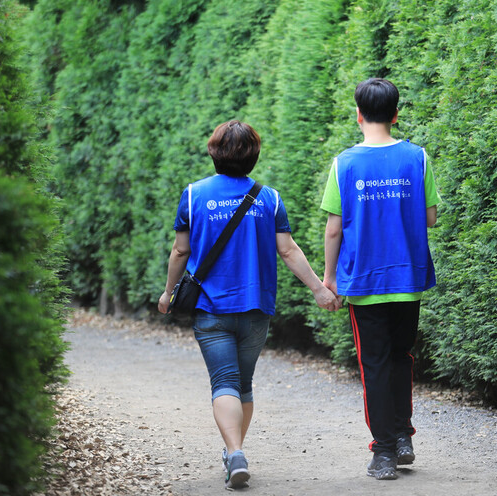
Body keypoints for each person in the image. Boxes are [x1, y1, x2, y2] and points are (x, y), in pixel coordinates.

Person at [158, 120, 339, 489]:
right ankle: (235, 450)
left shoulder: (193, 195)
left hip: (211, 309)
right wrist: (319, 289)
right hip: (256, 309)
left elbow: (181, 249)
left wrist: (168, 292)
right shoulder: (268, 198)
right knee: (243, 383)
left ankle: (235, 451)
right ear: (253, 156)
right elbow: (287, 250)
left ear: (213, 153)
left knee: (223, 381)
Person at [321, 78, 440, 480]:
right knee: (400, 357)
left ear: (358, 115)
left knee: (373, 363)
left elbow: (334, 229)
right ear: (395, 114)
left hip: (365, 281)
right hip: (408, 277)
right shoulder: (418, 157)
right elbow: (430, 218)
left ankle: (384, 452)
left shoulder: (345, 164)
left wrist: (329, 277)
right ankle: (403, 436)